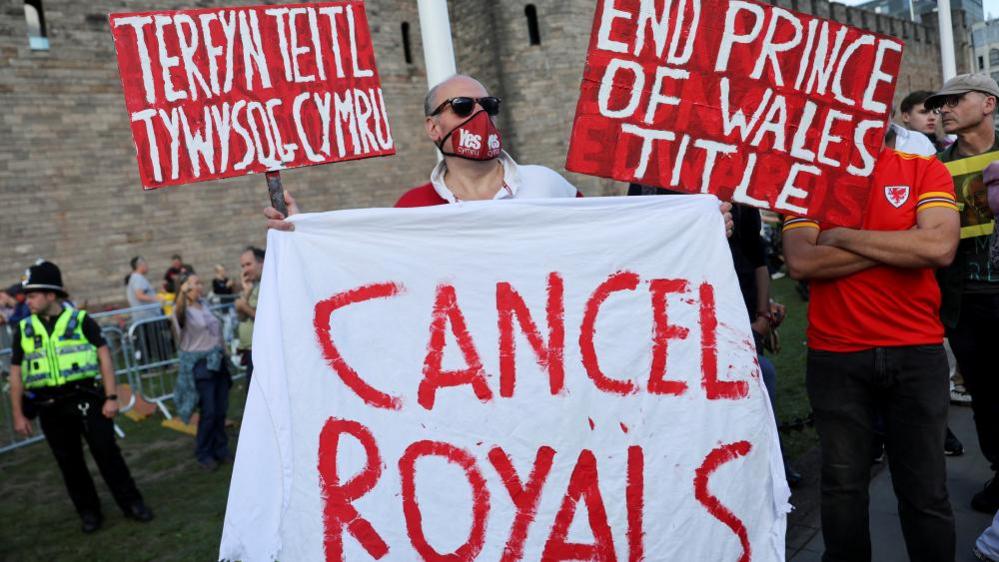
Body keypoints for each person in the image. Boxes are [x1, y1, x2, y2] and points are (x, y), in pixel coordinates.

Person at [782, 130, 960, 561]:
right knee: (842, 486)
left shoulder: (923, 167)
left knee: (925, 489)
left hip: (916, 351)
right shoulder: (807, 178)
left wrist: (842, 235)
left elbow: (939, 246)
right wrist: (902, 240)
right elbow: (803, 261)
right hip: (837, 354)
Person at [263, 74, 734, 230]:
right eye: (463, 106)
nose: (480, 116)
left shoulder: (548, 185)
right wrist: (300, 230)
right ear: (433, 127)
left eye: (488, 105)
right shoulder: (412, 210)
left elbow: (614, 243)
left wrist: (695, 223)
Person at [7, 261, 153, 533]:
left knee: (108, 454)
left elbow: (104, 356)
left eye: (33, 294)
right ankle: (89, 512)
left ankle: (132, 503)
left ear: (51, 295)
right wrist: (18, 414)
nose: (28, 300)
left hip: (87, 400)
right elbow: (15, 373)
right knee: (69, 464)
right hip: (50, 407)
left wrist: (111, 397)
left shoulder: (81, 321)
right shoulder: (24, 329)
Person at [924, 73, 999, 514]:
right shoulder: (934, 167)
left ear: (988, 104)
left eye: (955, 100)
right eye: (939, 103)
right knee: (986, 395)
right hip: (965, 299)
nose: (943, 109)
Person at [173, 273, 231, 471]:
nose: (200, 285)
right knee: (209, 411)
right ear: (185, 289)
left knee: (221, 409)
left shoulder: (204, 305)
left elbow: (216, 333)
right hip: (201, 365)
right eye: (195, 283)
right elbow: (178, 321)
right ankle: (204, 452)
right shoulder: (182, 311)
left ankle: (221, 449)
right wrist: (181, 295)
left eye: (200, 281)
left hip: (218, 362)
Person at [235, 246, 263, 387]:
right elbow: (240, 317)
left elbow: (264, 319)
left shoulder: (268, 284)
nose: (245, 270)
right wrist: (246, 292)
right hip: (251, 351)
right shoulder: (252, 286)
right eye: (242, 266)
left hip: (263, 352)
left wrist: (243, 305)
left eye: (248, 264)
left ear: (261, 263)